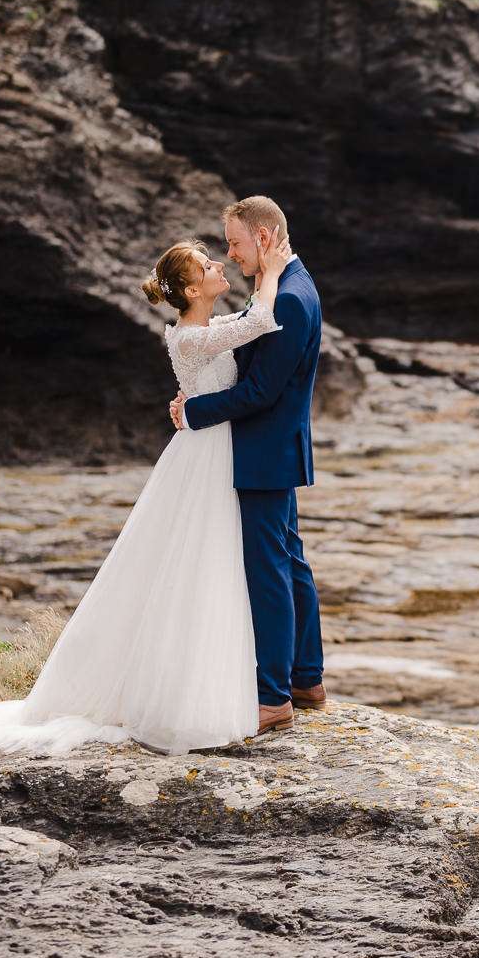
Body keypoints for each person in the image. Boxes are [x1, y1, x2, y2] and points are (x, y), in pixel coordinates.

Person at [0, 228, 296, 756]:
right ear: (190, 291)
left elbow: (243, 324)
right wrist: (273, 272)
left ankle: (212, 680)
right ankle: (187, 693)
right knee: (199, 560)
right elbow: (258, 322)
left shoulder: (205, 326)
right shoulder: (189, 336)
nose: (217, 267)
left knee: (209, 560)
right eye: (207, 266)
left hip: (212, 450)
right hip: (205, 457)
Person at [171, 196, 325, 736]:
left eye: (235, 244)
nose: (231, 256)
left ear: (263, 239)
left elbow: (259, 392)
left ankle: (273, 697)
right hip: (276, 449)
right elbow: (244, 334)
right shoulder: (288, 286)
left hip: (262, 452)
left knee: (270, 574)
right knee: (291, 563)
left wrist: (193, 411)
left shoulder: (289, 300)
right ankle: (307, 679)